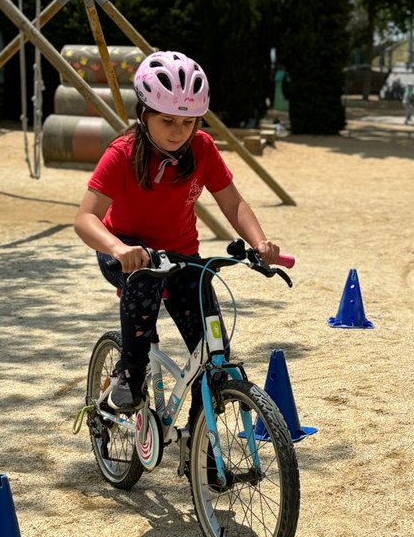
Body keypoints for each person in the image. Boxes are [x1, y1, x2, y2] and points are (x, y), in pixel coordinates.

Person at [73, 50, 282, 413]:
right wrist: (119, 248)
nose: (178, 132)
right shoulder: (122, 153)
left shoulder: (202, 149)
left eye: (188, 123)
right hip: (124, 252)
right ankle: (130, 373)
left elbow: (232, 202)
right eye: (167, 120)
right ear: (144, 114)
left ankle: (202, 443)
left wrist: (258, 240)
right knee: (143, 280)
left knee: (214, 354)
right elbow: (85, 219)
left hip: (182, 257)